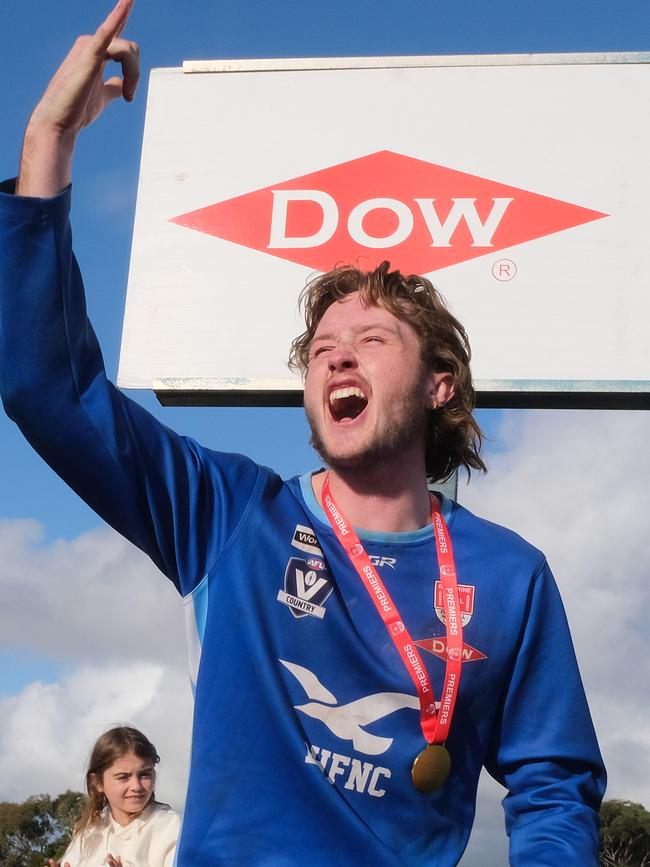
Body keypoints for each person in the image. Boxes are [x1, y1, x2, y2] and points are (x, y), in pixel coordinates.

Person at [0, 1, 606, 864]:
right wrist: (45, 143)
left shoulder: (511, 575)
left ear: (441, 386)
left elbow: (554, 785)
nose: (335, 360)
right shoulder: (231, 517)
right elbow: (47, 388)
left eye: (370, 341)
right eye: (321, 349)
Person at [46, 726, 180, 867]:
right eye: (123, 777)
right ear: (97, 783)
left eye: (144, 774)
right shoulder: (88, 835)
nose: (136, 786)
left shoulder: (170, 827)